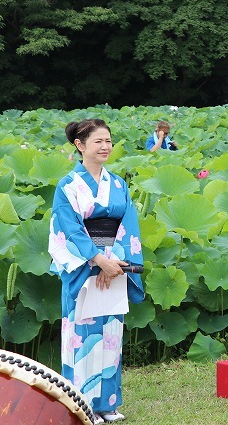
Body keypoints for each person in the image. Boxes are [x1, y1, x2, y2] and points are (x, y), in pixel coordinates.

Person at [48, 118, 145, 423]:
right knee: (81, 334)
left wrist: (115, 262)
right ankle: (80, 404)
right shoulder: (68, 186)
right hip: (83, 266)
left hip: (115, 266)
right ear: (80, 146)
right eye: (98, 142)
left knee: (111, 334)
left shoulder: (118, 184)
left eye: (108, 141)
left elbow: (128, 225)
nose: (105, 147)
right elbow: (68, 229)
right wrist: (96, 259)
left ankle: (107, 404)